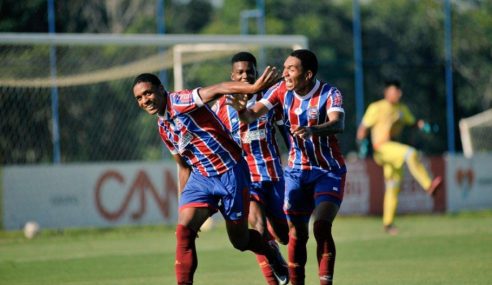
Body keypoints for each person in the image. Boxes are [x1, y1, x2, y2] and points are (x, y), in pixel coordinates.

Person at [132, 69, 290, 285]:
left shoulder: (180, 101)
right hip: (202, 177)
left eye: (148, 93)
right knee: (184, 232)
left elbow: (219, 89)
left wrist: (253, 89)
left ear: (161, 89)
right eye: (139, 98)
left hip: (231, 172)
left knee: (240, 241)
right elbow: (183, 166)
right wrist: (183, 204)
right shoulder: (163, 126)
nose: (145, 100)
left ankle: (270, 251)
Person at [228, 49, 346, 285]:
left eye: (291, 69)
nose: (285, 74)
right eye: (284, 68)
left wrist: (314, 130)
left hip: (328, 171)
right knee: (296, 234)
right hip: (296, 173)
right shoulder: (281, 90)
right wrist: (241, 109)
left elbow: (338, 123)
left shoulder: (329, 93)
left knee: (321, 226)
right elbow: (250, 116)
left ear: (308, 74)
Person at [212, 52, 289, 285]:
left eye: (249, 71)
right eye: (240, 72)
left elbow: (284, 131)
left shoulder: (269, 99)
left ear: (256, 73)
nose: (245, 75)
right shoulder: (220, 107)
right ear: (232, 75)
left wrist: (297, 153)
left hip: (272, 173)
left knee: (283, 235)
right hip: (245, 176)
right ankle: (273, 274)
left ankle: (275, 247)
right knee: (257, 226)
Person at [356, 79, 443, 235]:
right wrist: (361, 143)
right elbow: (363, 128)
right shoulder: (376, 107)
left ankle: (388, 224)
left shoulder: (401, 109)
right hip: (381, 149)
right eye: (395, 91)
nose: (398, 94)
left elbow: (413, 122)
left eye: (399, 91)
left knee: (393, 187)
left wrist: (425, 126)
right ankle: (428, 185)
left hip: (394, 154)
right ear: (387, 92)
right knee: (411, 153)